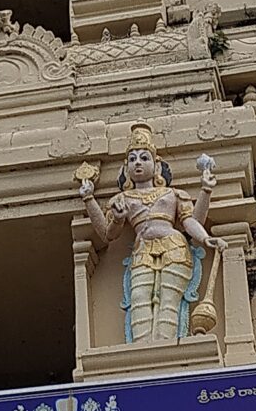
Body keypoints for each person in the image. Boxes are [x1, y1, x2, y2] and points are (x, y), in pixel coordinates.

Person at [79, 130, 216, 344]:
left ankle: (166, 345)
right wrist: (93, 201)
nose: (138, 163)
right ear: (126, 167)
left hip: (174, 248)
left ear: (157, 165)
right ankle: (144, 349)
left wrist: (205, 231)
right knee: (140, 298)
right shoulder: (122, 198)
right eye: (132, 159)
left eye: (144, 158)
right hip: (142, 251)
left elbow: (190, 221)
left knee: (169, 299)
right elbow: (107, 234)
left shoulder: (172, 194)